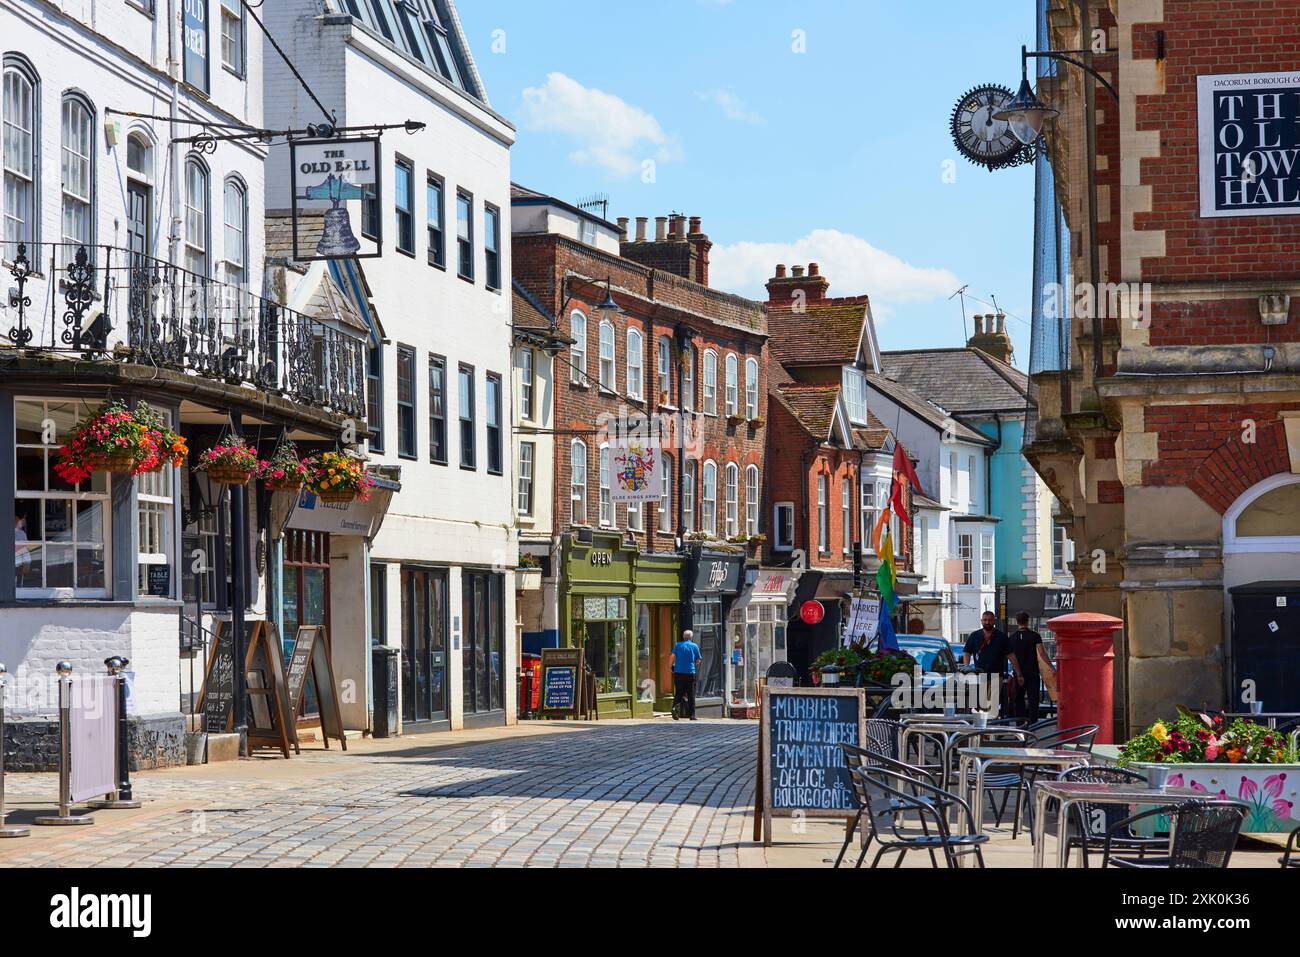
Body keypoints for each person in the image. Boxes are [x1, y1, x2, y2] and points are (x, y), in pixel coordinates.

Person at [963, 610, 1022, 715]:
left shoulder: (1001, 637)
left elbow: (1011, 656)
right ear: (981, 621)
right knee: (980, 703)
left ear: (994, 621)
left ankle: (989, 726)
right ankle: (981, 726)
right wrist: (966, 667)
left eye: (990, 620)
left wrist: (1019, 673)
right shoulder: (974, 635)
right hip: (979, 674)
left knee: (992, 704)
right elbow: (967, 652)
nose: (987, 622)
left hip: (996, 675)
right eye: (985, 620)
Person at [1009, 611, 1044, 722]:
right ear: (1027, 621)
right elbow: (1041, 653)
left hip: (1018, 672)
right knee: (1033, 698)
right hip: (1032, 671)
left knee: (1019, 698)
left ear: (1017, 621)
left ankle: (1020, 723)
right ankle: (1033, 722)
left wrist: (1017, 672)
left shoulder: (1012, 638)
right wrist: (1050, 667)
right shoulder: (1035, 636)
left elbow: (1010, 655)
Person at [669, 628, 702, 721]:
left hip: (678, 672)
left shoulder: (678, 645)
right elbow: (698, 660)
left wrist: (670, 667)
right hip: (690, 673)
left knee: (679, 692)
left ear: (683, 637)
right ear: (691, 637)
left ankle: (675, 708)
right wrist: (693, 665)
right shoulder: (694, 646)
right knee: (690, 694)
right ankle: (692, 715)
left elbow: (672, 657)